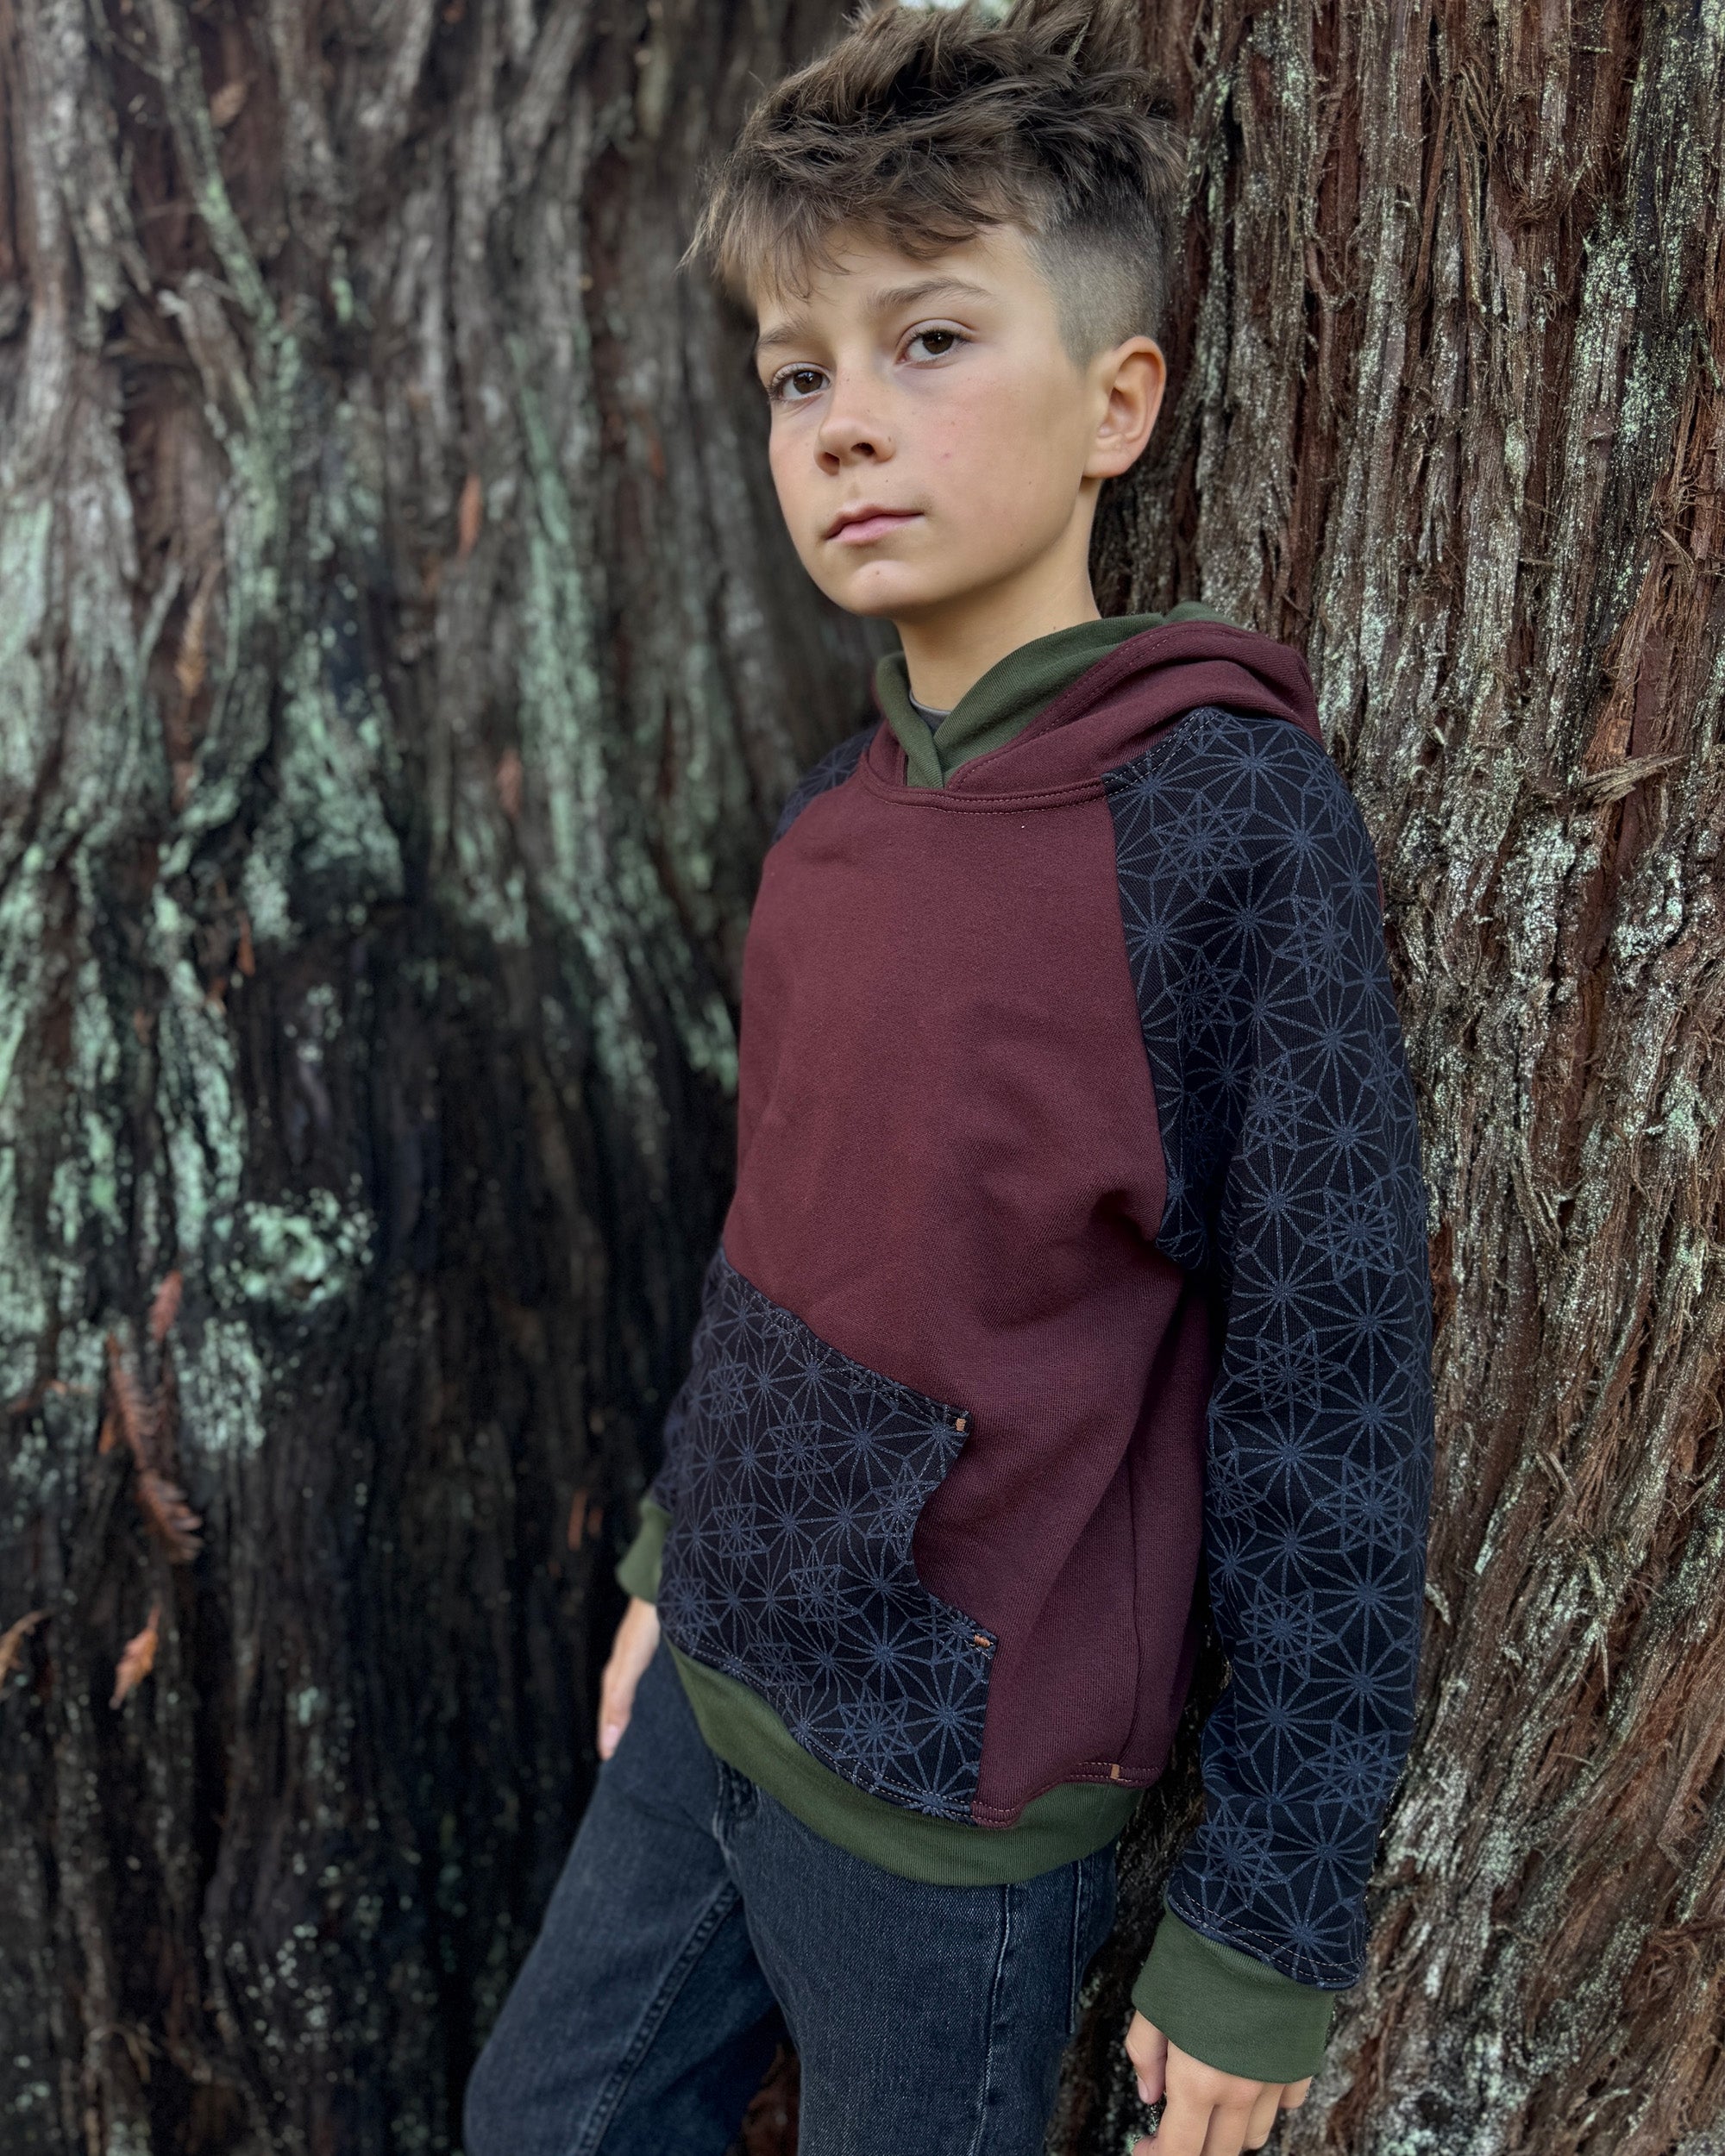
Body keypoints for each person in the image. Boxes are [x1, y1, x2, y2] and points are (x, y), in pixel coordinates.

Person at [463, 3, 1435, 2152]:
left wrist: (1264, 1924)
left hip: (952, 1816)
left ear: (1118, 403)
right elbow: (783, 1235)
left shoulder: (1215, 828)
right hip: (709, 1690)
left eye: (926, 341)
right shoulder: (830, 818)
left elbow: (1333, 1380)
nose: (841, 426)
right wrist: (670, 1557)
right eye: (796, 375)